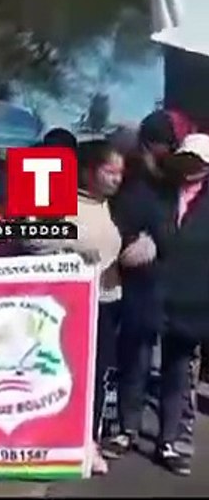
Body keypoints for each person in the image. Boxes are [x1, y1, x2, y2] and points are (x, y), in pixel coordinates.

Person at [26, 140, 124, 475]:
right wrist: (73, 245)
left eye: (120, 173)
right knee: (53, 371)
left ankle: (88, 443)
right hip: (60, 303)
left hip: (104, 303)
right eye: (109, 171)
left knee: (96, 377)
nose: (115, 179)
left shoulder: (114, 206)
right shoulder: (54, 195)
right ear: (87, 170)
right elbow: (31, 237)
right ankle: (45, 441)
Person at [103, 111, 178, 465]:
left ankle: (168, 437)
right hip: (137, 286)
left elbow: (176, 230)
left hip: (170, 284)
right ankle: (128, 428)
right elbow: (116, 226)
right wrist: (133, 245)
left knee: (171, 367)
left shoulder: (169, 182)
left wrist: (157, 241)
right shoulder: (131, 182)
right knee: (136, 359)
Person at [146, 133, 209, 475]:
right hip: (169, 299)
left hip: (202, 296)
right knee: (176, 373)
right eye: (185, 160)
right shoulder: (163, 195)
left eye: (196, 162)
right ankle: (170, 442)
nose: (189, 168)